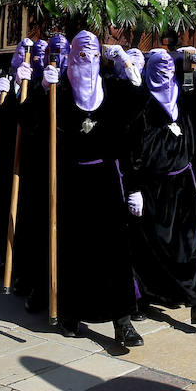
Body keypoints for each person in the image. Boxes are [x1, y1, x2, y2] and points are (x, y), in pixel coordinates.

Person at [44, 32, 140, 347]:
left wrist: (125, 61)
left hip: (106, 181)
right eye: (82, 55)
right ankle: (71, 313)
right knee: (75, 251)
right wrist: (41, 90)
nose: (88, 61)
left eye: (94, 55)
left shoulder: (112, 89)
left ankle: (122, 322)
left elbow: (137, 115)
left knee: (114, 251)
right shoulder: (59, 91)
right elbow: (28, 124)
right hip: (71, 182)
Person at [122, 49, 196, 324]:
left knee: (191, 243)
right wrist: (133, 189)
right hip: (154, 187)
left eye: (170, 68)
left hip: (183, 182)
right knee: (153, 245)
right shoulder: (142, 105)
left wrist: (193, 66)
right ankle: (143, 298)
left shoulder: (183, 98)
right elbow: (132, 150)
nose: (166, 73)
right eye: (160, 68)